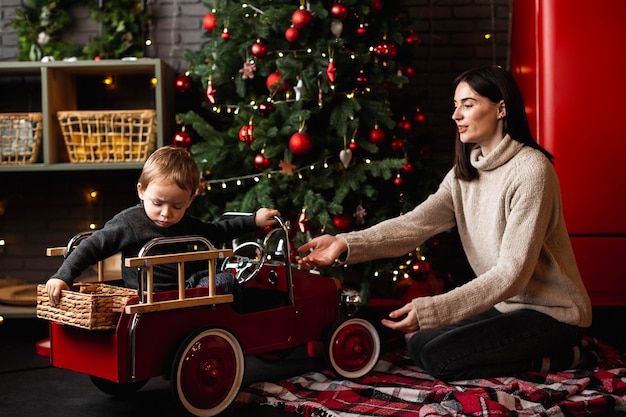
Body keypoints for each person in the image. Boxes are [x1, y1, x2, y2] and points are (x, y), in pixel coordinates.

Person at [297, 66, 594, 381]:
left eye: (468, 104)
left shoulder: (531, 171)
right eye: (456, 105)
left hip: (552, 313)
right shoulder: (465, 171)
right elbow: (416, 224)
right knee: (420, 344)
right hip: (507, 306)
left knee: (442, 359)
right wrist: (345, 243)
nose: (456, 115)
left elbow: (512, 275)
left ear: (501, 108)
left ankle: (568, 356)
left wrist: (433, 309)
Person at [46, 145, 280, 305]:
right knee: (222, 281)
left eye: (177, 206)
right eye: (157, 203)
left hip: (186, 289)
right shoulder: (131, 222)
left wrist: (253, 220)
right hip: (149, 296)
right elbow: (92, 246)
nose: (166, 214)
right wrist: (63, 276)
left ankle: (230, 322)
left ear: (190, 200)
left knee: (224, 280)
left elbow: (217, 231)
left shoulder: (186, 223)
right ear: (141, 191)